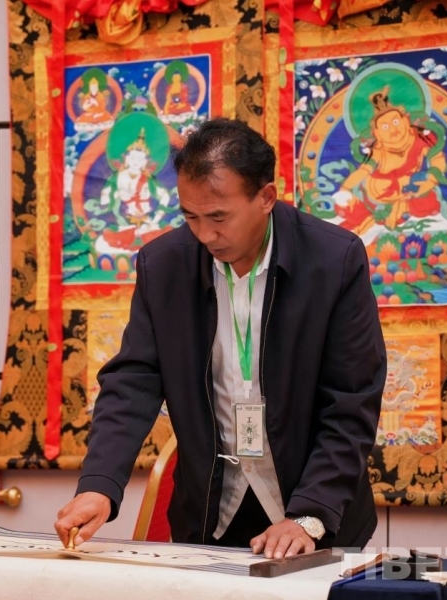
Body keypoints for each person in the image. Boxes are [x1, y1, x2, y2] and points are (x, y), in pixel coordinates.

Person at [54, 118, 386, 559]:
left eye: (218, 217)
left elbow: (351, 400)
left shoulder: (334, 260)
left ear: (265, 197)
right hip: (210, 513)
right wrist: (99, 485)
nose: (204, 235)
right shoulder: (164, 266)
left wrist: (310, 513)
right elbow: (132, 381)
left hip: (316, 512)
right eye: (190, 216)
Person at [332, 87, 447, 244]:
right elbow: (364, 171)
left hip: (409, 186)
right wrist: (345, 188)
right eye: (385, 127)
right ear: (377, 133)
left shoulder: (418, 139)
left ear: (406, 120)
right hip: (380, 189)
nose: (393, 129)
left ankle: (390, 213)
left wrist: (430, 181)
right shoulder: (379, 149)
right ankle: (371, 220)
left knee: (430, 201)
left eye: (395, 121)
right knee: (347, 205)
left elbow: (437, 158)